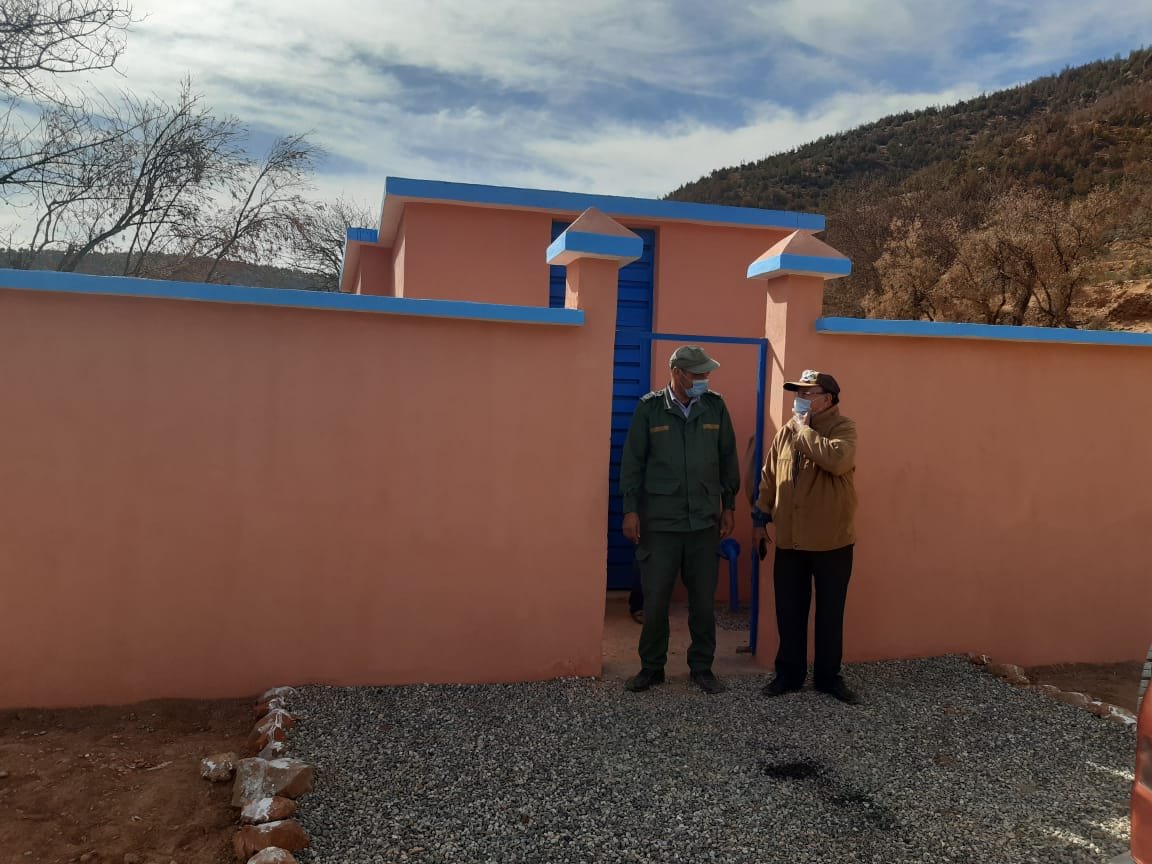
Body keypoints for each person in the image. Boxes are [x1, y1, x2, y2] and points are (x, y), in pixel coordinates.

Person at [619, 345, 739, 695]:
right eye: (698, 374)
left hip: (703, 522)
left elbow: (727, 458)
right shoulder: (650, 409)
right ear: (677, 373)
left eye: (706, 373)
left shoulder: (715, 406)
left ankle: (702, 667)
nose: (705, 379)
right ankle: (651, 667)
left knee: (702, 602)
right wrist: (630, 509)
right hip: (660, 524)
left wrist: (729, 505)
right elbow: (633, 462)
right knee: (655, 601)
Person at [754, 369, 860, 704]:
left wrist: (803, 430)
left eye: (807, 393)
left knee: (830, 614)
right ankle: (789, 674)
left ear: (827, 398)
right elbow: (769, 476)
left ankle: (828, 678)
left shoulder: (843, 429)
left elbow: (837, 460)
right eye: (797, 392)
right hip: (791, 540)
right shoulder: (785, 432)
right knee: (789, 611)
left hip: (832, 541)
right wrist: (760, 518)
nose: (799, 398)